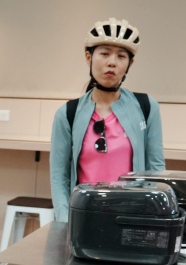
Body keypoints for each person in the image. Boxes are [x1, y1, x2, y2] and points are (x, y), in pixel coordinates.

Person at [49, 17, 165, 222]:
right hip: (84, 216)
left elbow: (156, 168)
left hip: (132, 216)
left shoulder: (147, 107)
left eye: (121, 56)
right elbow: (59, 176)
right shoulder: (67, 113)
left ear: (130, 63)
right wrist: (64, 222)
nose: (112, 62)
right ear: (88, 57)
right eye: (104, 53)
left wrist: (156, 217)